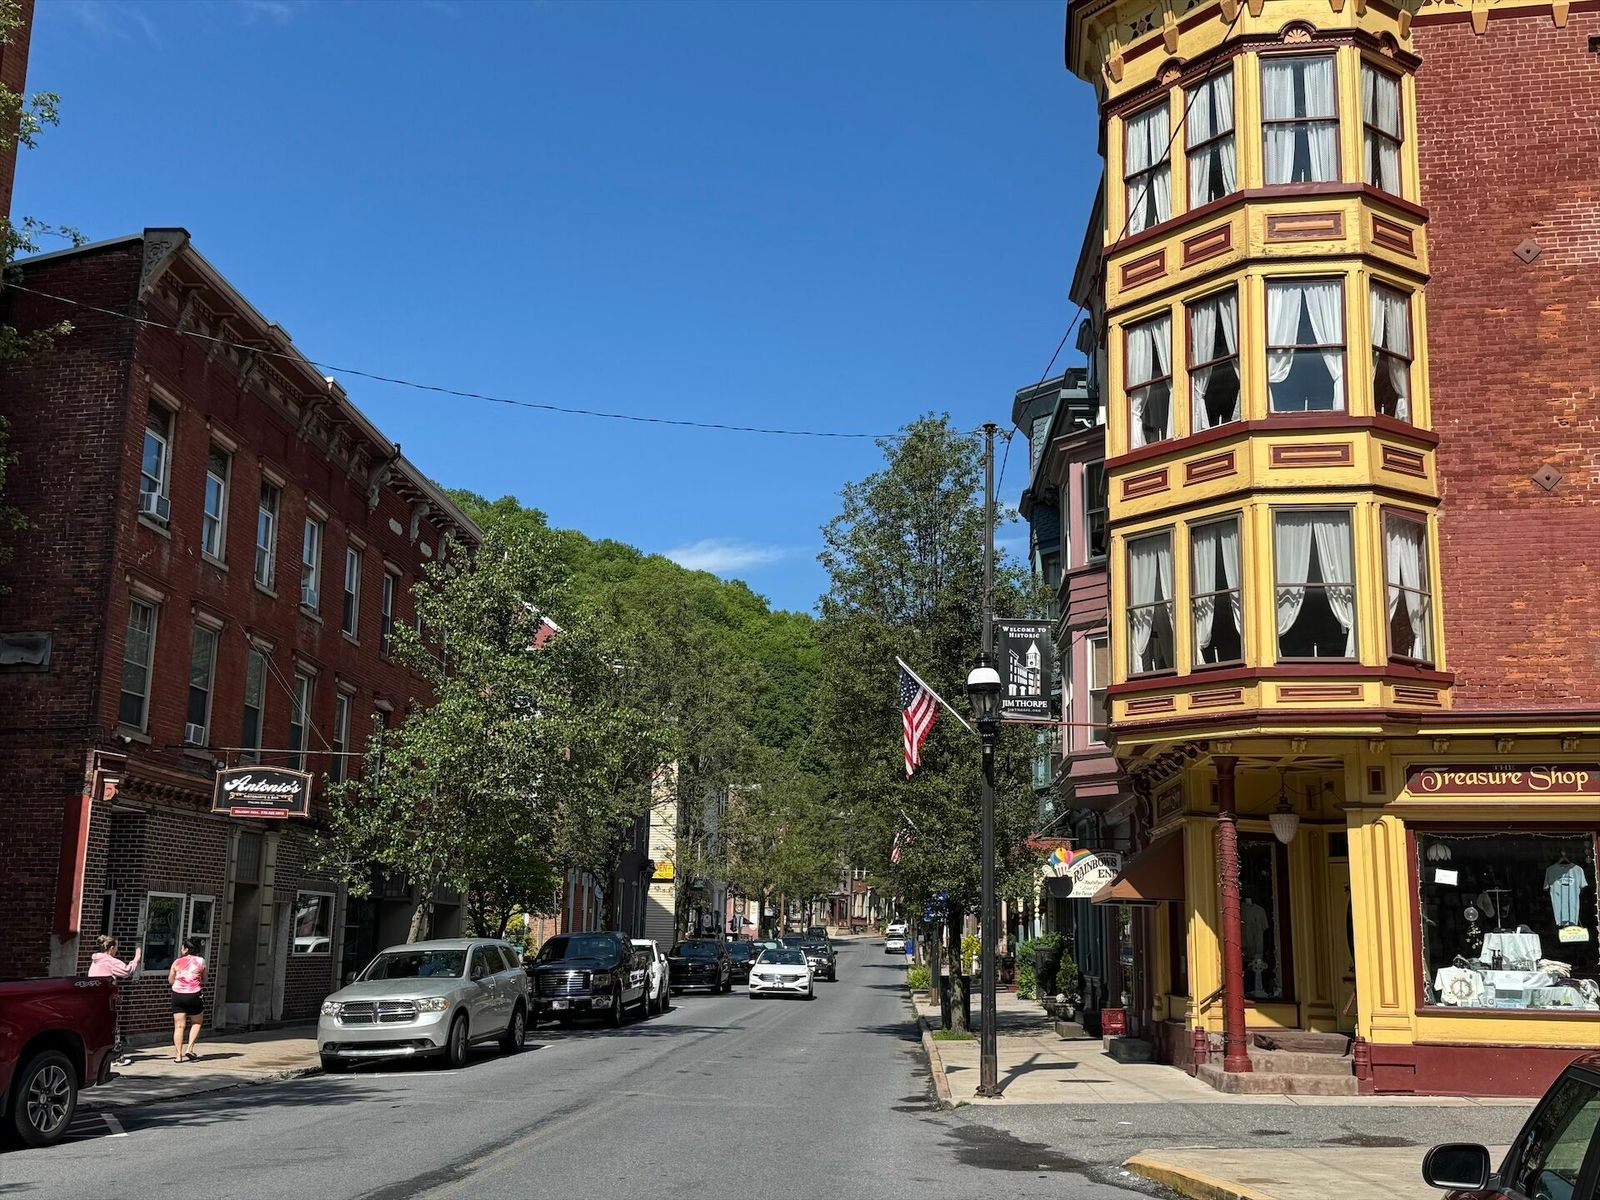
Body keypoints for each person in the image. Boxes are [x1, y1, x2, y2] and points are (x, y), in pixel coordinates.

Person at [88, 934, 141, 1066]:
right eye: (116, 947)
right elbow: (126, 971)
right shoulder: (111, 961)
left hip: (94, 998)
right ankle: (115, 1057)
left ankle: (98, 1056)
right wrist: (136, 959)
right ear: (111, 948)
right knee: (112, 1028)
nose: (117, 950)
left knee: (98, 1027)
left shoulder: (96, 960)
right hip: (106, 999)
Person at [168, 938, 206, 1063]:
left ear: (185, 949)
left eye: (182, 947)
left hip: (178, 995)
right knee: (196, 1022)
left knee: (179, 1026)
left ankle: (178, 1056)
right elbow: (204, 979)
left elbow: (170, 980)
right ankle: (189, 1048)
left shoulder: (176, 962)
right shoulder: (201, 961)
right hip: (194, 995)